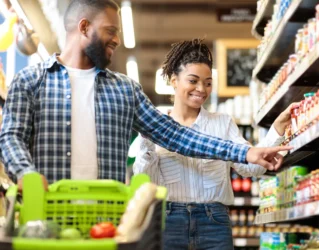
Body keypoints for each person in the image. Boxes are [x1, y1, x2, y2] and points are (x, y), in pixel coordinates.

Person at [0, 0, 290, 191]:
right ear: (84, 27)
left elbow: (176, 135)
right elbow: (11, 136)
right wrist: (24, 172)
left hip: (108, 222)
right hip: (45, 215)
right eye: (110, 30)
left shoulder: (125, 90)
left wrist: (246, 151)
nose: (117, 39)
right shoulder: (30, 80)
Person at [133, 39, 296, 250]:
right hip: (169, 221)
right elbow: (145, 181)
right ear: (174, 81)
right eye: (193, 81)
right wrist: (147, 139)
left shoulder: (222, 122)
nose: (201, 89)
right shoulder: (156, 126)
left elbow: (250, 168)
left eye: (208, 82)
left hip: (214, 222)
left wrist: (278, 128)